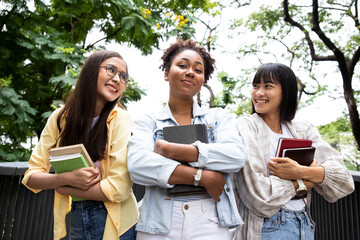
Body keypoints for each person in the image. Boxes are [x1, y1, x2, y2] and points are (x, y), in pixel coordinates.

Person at [127, 38, 247, 240]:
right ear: (166, 73)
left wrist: (171, 151)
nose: (190, 72)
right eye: (182, 65)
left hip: (211, 219)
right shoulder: (148, 121)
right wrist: (202, 177)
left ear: (203, 80)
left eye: (198, 70)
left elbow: (236, 156)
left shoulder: (218, 118)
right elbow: (137, 166)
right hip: (159, 221)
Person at [22, 50, 138, 240]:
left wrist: (65, 188)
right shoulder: (61, 118)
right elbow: (31, 176)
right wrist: (67, 178)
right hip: (76, 216)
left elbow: (119, 188)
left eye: (123, 76)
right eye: (111, 70)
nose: (117, 79)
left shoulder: (121, 119)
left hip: (116, 221)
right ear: (91, 71)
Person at [232, 63, 355, 239]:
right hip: (266, 228)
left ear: (286, 91)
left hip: (304, 223)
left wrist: (301, 171)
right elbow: (259, 197)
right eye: (255, 86)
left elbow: (344, 181)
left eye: (268, 86)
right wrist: (305, 183)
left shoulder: (302, 129)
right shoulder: (245, 127)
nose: (258, 93)